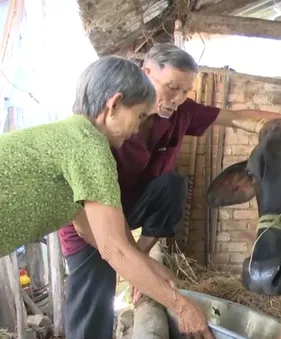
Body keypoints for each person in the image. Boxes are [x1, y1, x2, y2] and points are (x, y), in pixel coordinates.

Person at [58, 43, 281, 339]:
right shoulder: (95, 136)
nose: (177, 99)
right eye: (172, 88)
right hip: (91, 216)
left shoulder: (177, 114)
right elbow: (102, 236)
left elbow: (236, 116)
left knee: (172, 184)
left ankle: (138, 256)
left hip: (129, 206)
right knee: (94, 299)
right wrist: (173, 300)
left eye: (185, 92)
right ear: (145, 75)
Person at [0, 56, 214, 338]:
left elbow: (89, 230)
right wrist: (182, 307)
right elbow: (114, 249)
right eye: (138, 116)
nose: (138, 128)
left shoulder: (70, 135)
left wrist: (150, 268)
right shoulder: (90, 146)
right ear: (113, 105)